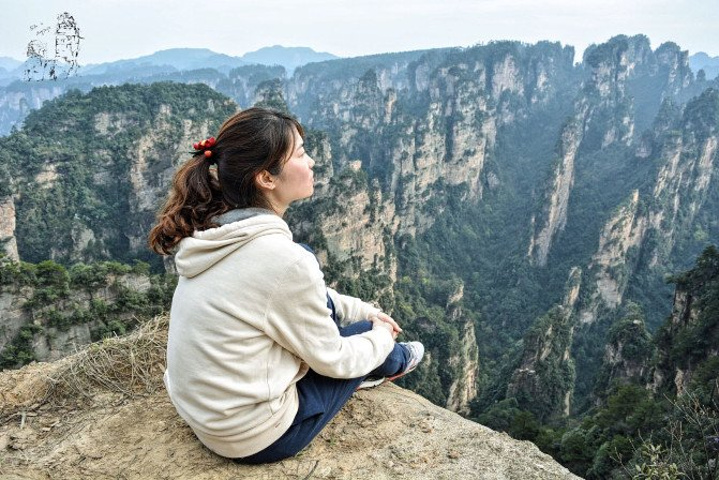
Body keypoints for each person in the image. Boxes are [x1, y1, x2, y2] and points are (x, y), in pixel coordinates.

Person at [148, 107, 424, 464]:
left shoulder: (213, 232)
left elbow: (301, 294)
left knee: (349, 316)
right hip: (255, 437)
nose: (312, 162)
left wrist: (365, 308)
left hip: (203, 414)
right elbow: (333, 360)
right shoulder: (283, 261)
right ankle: (396, 360)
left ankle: (380, 355)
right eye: (300, 154)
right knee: (362, 336)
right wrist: (382, 334)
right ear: (266, 177)